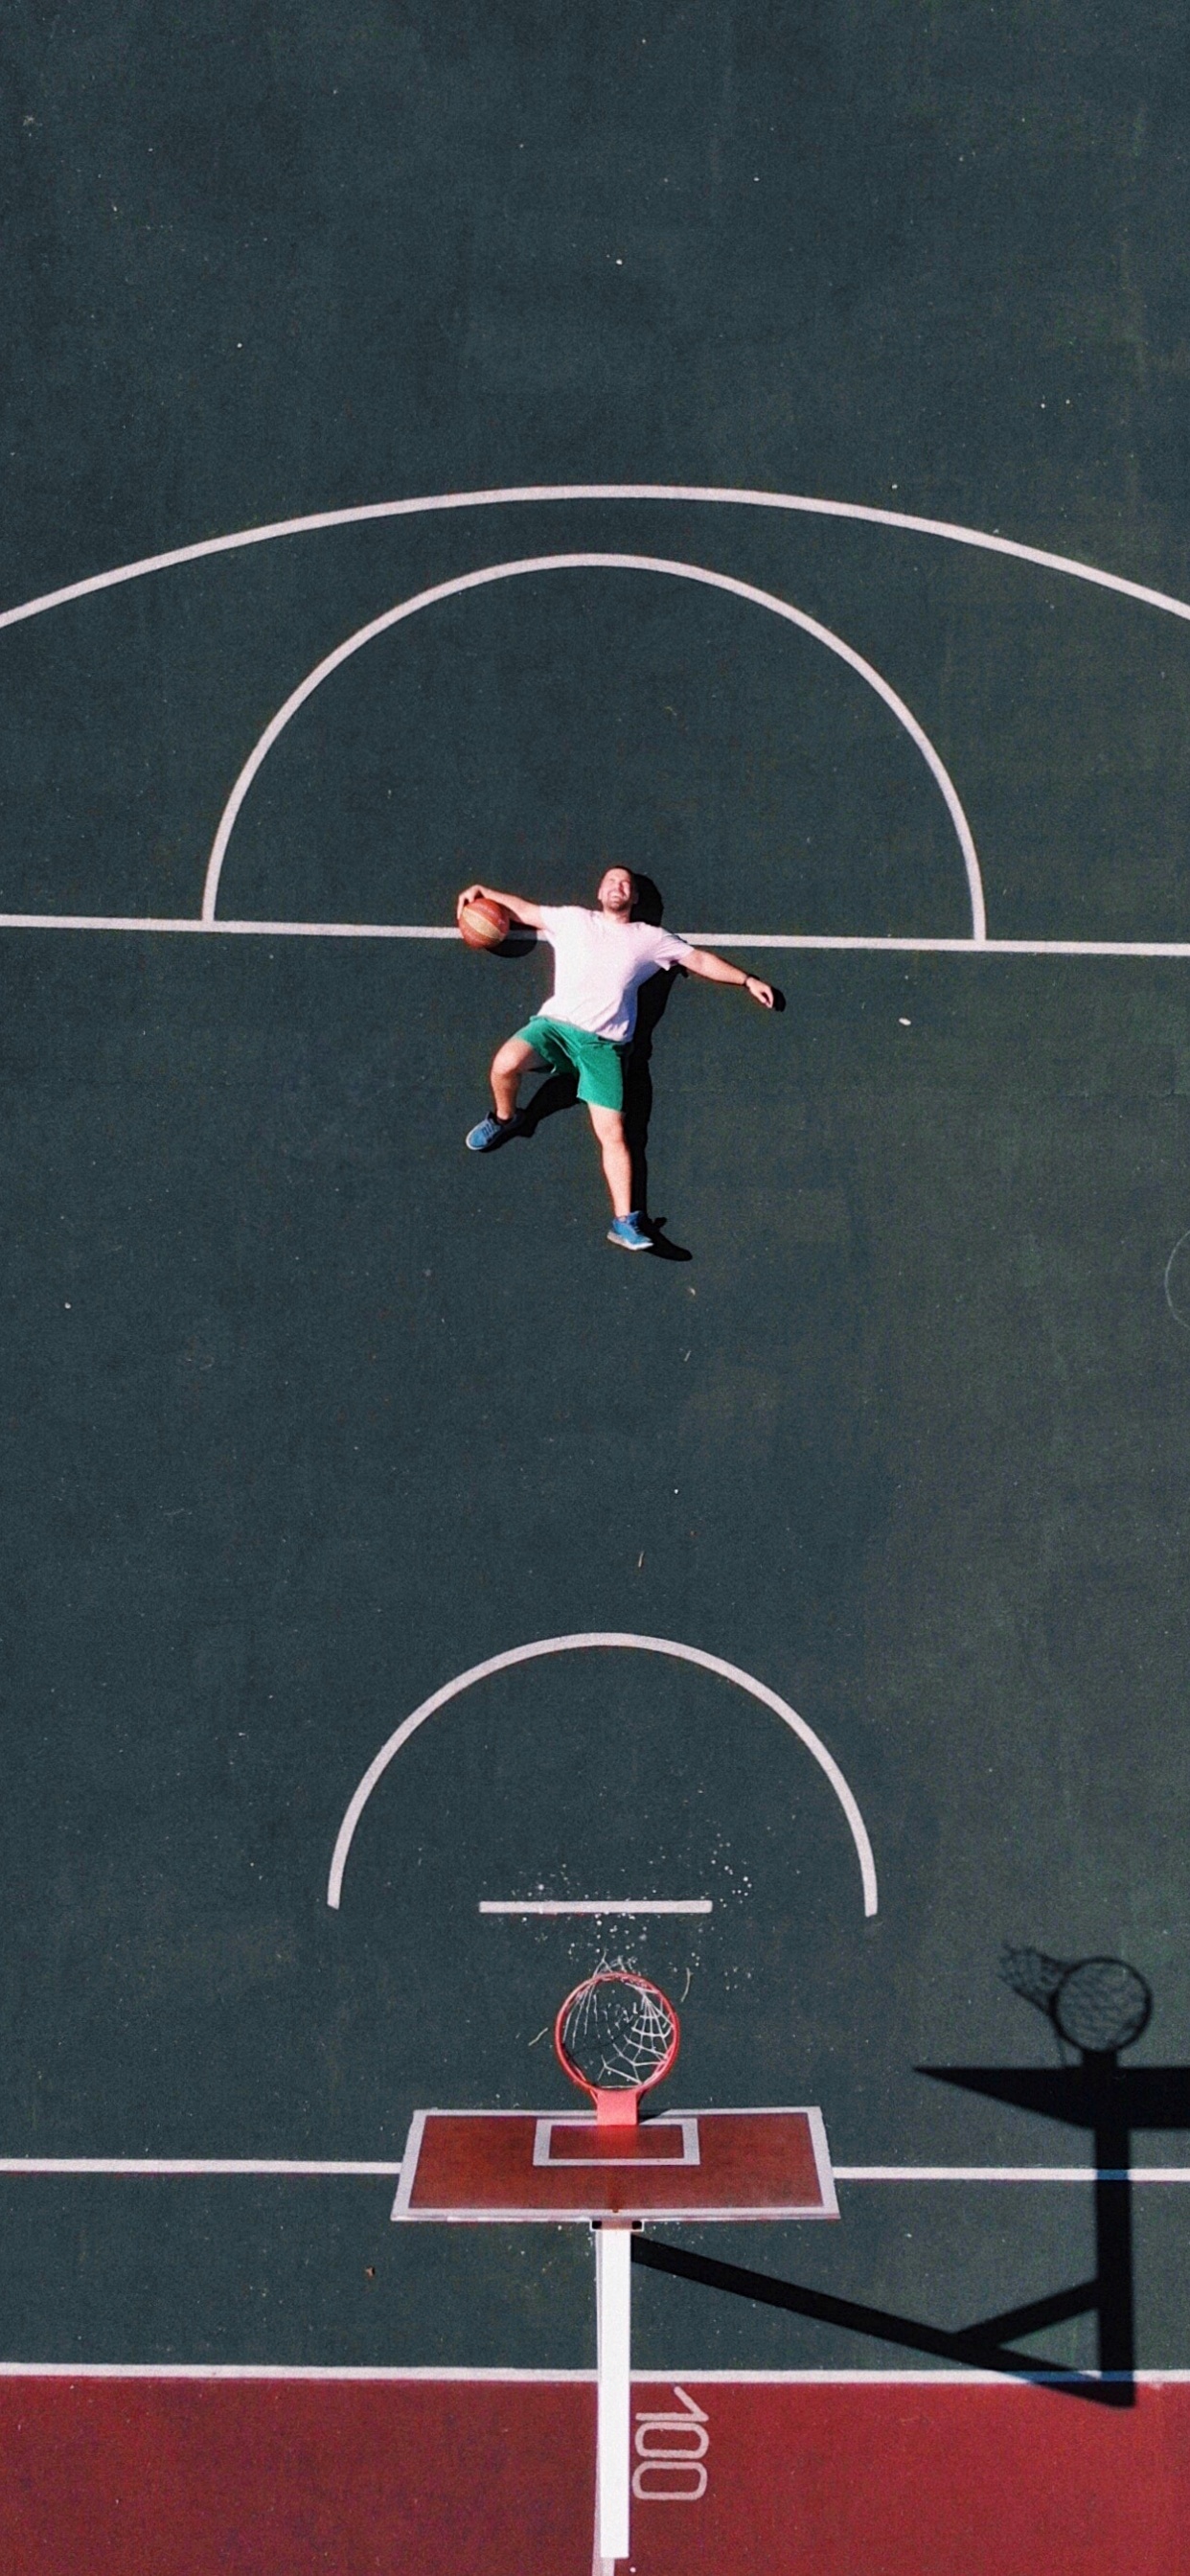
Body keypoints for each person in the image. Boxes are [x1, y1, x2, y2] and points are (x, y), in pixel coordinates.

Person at [459, 864, 775, 1251]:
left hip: (604, 1048)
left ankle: (625, 1222)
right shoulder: (572, 920)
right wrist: (482, 890)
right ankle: (507, 1119)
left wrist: (747, 980)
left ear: (634, 898)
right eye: (611, 881)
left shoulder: (650, 939)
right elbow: (522, 910)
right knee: (504, 1063)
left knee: (614, 1134)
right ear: (599, 892)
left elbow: (700, 961)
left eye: (625, 883)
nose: (617, 886)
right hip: (554, 1027)